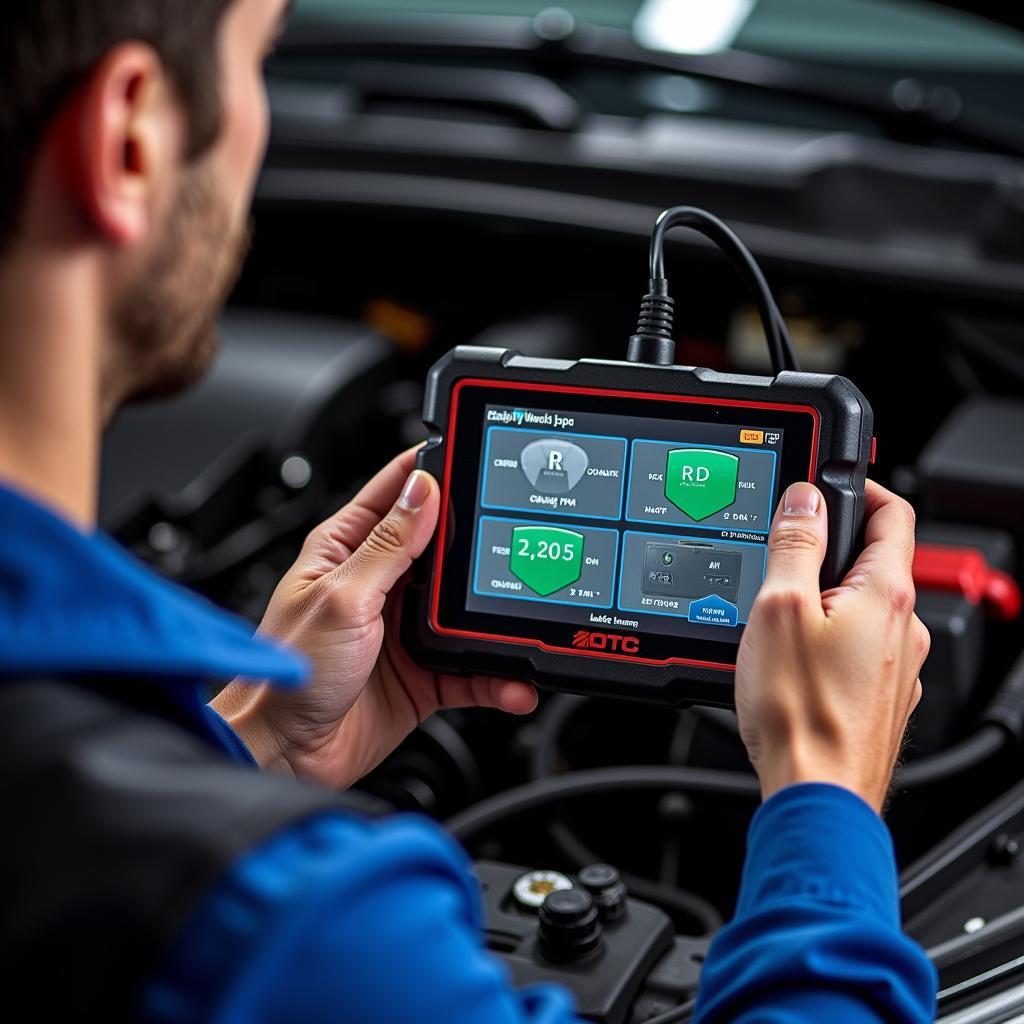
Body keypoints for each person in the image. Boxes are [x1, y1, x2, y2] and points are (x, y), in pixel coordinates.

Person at [0, 1, 936, 1021]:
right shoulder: (304, 935)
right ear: (128, 136)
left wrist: (260, 737)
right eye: (261, 61)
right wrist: (823, 786)